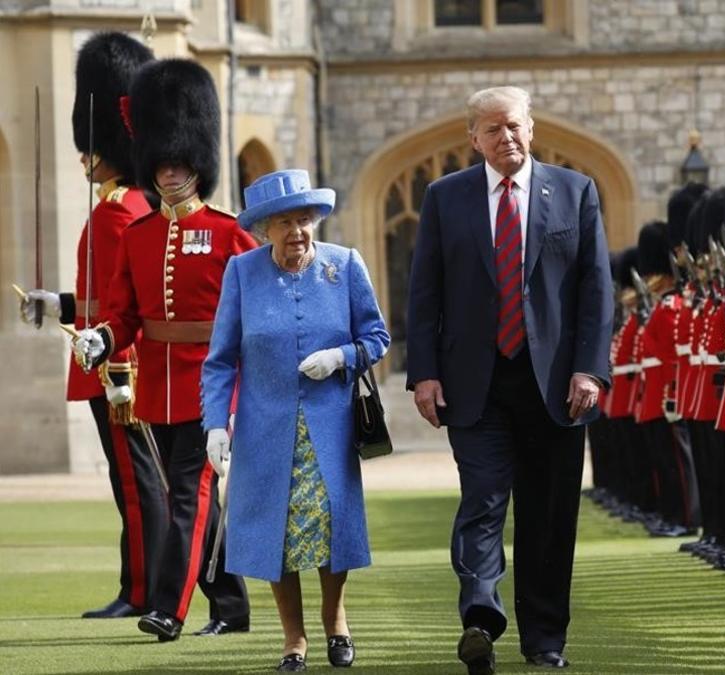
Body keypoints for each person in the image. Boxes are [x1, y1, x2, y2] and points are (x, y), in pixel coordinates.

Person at [406, 85, 613, 675]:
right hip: (476, 385)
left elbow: (596, 292)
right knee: (482, 504)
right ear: (473, 139)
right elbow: (425, 294)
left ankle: (544, 641)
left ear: (532, 128)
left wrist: (591, 368)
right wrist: (423, 374)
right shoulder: (445, 198)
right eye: (493, 129)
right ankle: (480, 617)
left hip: (556, 387)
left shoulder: (576, 193)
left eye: (515, 126)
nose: (507, 138)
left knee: (549, 517)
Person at [71, 58, 253, 642]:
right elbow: (125, 312)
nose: (171, 172)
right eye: (163, 162)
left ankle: (168, 608)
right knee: (198, 498)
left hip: (212, 382)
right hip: (157, 383)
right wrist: (102, 337)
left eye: (180, 162)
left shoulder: (229, 233)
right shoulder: (142, 234)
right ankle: (231, 604)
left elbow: (257, 308)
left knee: (189, 492)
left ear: (198, 164)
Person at [202, 169, 389, 672]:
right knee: (276, 533)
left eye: (304, 220)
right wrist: (216, 424)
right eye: (284, 222)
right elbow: (220, 359)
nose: (297, 232)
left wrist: (341, 357)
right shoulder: (242, 272)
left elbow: (377, 337)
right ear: (265, 229)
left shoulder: (345, 265)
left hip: (330, 427)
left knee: (332, 528)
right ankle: (293, 639)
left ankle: (336, 622)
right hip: (265, 430)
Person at [17, 31, 167, 619]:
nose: (85, 156)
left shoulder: (115, 212)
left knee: (135, 484)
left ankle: (143, 591)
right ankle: (143, 585)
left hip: (116, 370)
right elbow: (103, 299)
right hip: (111, 360)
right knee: (133, 480)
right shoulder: (128, 207)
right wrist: (56, 303)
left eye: (91, 146)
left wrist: (98, 339)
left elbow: (117, 309)